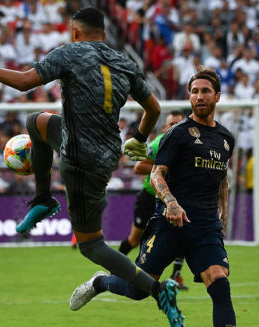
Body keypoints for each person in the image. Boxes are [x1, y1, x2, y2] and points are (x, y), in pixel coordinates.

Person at [0, 7, 184, 326]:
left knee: (91, 245)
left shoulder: (71, 52)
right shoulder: (124, 62)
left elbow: (23, 82)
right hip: (106, 153)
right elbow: (153, 107)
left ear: (75, 33)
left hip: (79, 158)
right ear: (104, 34)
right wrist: (140, 137)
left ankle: (158, 291)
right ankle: (43, 198)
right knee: (36, 122)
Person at [71, 68, 237, 327]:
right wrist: (171, 203)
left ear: (217, 96)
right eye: (195, 92)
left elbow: (222, 181)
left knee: (220, 283)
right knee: (138, 289)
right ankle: (100, 281)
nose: (200, 96)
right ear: (189, 97)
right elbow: (156, 175)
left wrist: (222, 219)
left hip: (205, 226)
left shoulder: (226, 138)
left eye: (205, 91)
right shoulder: (178, 133)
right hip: (170, 223)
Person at [119, 111, 189, 290]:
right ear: (165, 127)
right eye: (170, 123)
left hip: (171, 200)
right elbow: (139, 167)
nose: (173, 127)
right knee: (134, 240)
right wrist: (164, 168)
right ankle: (114, 268)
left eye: (178, 123)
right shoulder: (159, 143)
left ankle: (176, 275)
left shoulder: (186, 145)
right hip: (150, 197)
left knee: (181, 235)